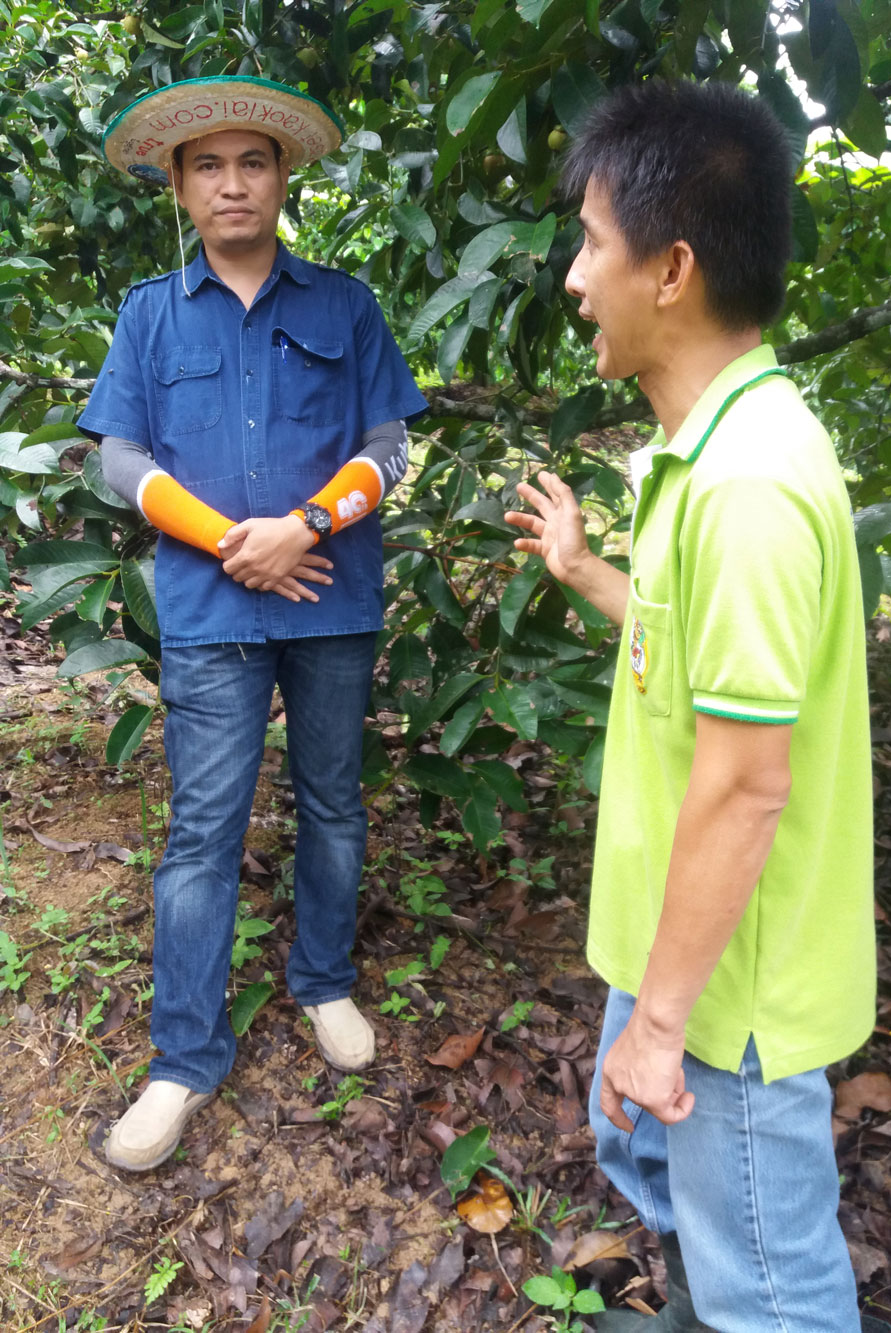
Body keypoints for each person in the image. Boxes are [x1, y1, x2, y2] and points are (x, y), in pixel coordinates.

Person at [506, 80, 880, 1332]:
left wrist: (660, 1025)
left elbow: (747, 781)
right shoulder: (707, 453)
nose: (572, 279)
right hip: (690, 954)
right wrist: (584, 571)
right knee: (703, 1232)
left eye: (591, 245)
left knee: (773, 1291)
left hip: (732, 998)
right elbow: (690, 658)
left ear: (668, 270)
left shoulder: (747, 489)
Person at [78, 77, 427, 1172]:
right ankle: (183, 1054)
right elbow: (118, 457)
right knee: (202, 834)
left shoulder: (345, 304)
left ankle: (323, 982)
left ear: (283, 178)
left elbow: (390, 446)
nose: (233, 183)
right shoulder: (148, 313)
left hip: (330, 599)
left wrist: (309, 523)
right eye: (208, 165)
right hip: (208, 608)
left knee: (331, 801)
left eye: (254, 162)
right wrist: (236, 538)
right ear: (179, 186)